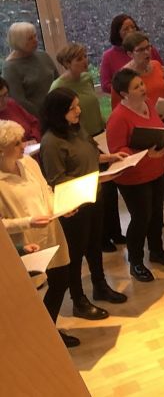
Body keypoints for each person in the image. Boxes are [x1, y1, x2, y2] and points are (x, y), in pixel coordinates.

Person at [41, 88, 131, 320]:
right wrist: (95, 180)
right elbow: (57, 180)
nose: (78, 111)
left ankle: (100, 286)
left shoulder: (76, 128)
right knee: (76, 253)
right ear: (58, 112)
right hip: (74, 207)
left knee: (94, 245)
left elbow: (89, 154)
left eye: (77, 105)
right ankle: (78, 301)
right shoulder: (51, 142)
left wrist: (110, 158)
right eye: (72, 108)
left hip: (93, 196)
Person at [0, 119, 77, 346]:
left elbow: (47, 191)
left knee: (61, 279)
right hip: (24, 243)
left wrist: (61, 207)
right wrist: (28, 222)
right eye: (16, 143)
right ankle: (37, 339)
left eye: (22, 140)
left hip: (51, 232)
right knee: (31, 295)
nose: (23, 145)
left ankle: (49, 329)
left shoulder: (29, 163)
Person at [106, 68, 164, 282]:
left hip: (156, 169)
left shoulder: (149, 104)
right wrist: (146, 154)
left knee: (157, 214)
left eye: (141, 83)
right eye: (136, 87)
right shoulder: (118, 118)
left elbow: (159, 131)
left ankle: (157, 251)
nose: (143, 88)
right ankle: (136, 262)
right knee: (141, 218)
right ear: (124, 94)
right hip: (133, 177)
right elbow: (118, 152)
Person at [119, 32, 164, 215]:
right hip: (143, 124)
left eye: (148, 47)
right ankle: (153, 208)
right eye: (141, 49)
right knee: (153, 163)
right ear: (130, 54)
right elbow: (119, 105)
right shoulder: (126, 75)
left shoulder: (157, 66)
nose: (147, 52)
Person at [99, 14, 164, 96]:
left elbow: (163, 73)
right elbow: (105, 85)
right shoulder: (108, 56)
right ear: (117, 33)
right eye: (126, 29)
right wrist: (128, 88)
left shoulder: (150, 49)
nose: (131, 31)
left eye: (133, 27)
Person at [3, 21, 57, 115]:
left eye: (35, 36)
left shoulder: (43, 55)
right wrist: (44, 116)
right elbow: (19, 102)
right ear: (18, 42)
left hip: (59, 108)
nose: (35, 40)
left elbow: (58, 80)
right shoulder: (10, 68)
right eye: (30, 39)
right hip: (38, 116)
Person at [0, 76, 39, 142]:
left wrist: (34, 138)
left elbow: (34, 123)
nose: (3, 100)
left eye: (5, 94)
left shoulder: (11, 104)